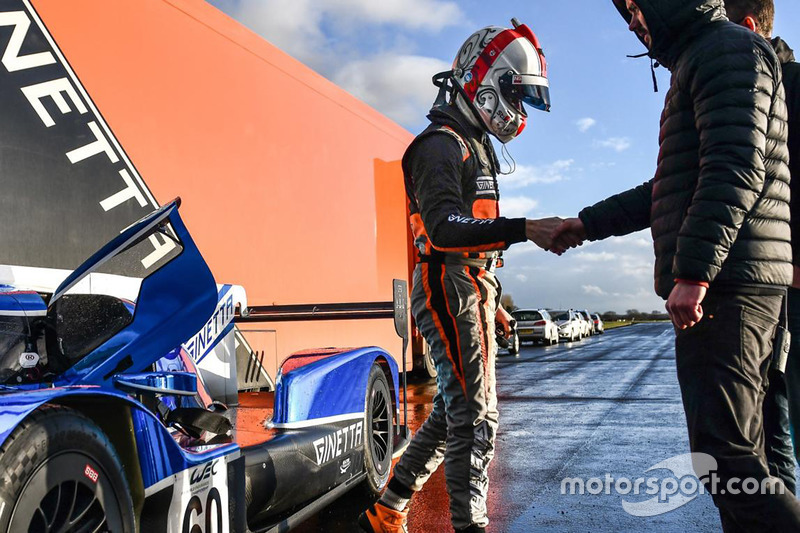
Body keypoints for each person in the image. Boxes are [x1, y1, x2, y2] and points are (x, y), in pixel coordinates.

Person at [551, 0, 800, 530]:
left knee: (725, 454)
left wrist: (694, 273)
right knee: (742, 455)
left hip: (732, 284)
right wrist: (586, 223)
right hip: (735, 280)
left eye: (639, 7)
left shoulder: (727, 47)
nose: (635, 22)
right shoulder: (703, 56)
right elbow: (668, 188)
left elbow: (735, 164)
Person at [359, 20, 557, 533]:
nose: (520, 110)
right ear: (485, 78)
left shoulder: (473, 142)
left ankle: (386, 512)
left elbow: (472, 231)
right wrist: (525, 228)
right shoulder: (440, 145)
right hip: (449, 284)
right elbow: (446, 229)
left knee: (454, 412)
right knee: (477, 417)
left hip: (470, 285)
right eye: (519, 94)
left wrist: (495, 301)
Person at [725, 0, 800, 496]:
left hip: (781, 285)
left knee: (775, 437)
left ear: (748, 28)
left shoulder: (776, 86)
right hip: (768, 284)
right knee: (773, 437)